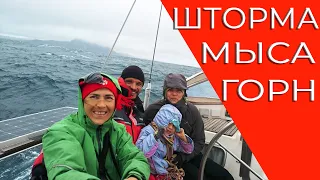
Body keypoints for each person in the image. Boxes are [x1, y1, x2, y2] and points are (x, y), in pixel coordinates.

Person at [30, 65, 147, 179]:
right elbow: (66, 171)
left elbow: (134, 157)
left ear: (115, 102)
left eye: (108, 98)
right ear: (83, 101)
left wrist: (134, 176)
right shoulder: (62, 131)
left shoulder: (119, 130)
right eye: (94, 96)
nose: (101, 105)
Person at [143, 73, 234, 180]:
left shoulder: (192, 111)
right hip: (165, 159)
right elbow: (146, 135)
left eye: (179, 91)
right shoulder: (153, 110)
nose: (174, 94)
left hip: (189, 154)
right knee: (198, 177)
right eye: (170, 90)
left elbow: (199, 141)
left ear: (184, 93)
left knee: (225, 176)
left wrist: (183, 157)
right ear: (164, 91)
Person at [136, 104, 194, 180]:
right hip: (150, 172)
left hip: (165, 171)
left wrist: (183, 138)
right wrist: (155, 137)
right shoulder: (148, 130)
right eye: (167, 123)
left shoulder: (171, 137)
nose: (170, 127)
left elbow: (188, 150)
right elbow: (141, 151)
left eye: (174, 125)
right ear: (160, 119)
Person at [113, 65, 146, 143]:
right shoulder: (111, 104)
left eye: (138, 84)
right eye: (129, 81)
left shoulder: (139, 109)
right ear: (121, 81)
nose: (134, 87)